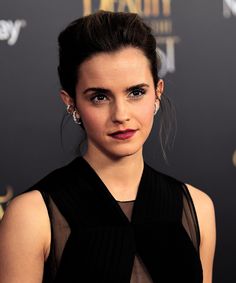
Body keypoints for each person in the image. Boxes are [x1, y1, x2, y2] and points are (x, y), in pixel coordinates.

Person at [0, 10, 216, 283]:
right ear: (71, 102)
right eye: (100, 97)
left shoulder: (197, 207)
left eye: (136, 92)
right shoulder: (31, 216)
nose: (121, 114)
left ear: (157, 92)